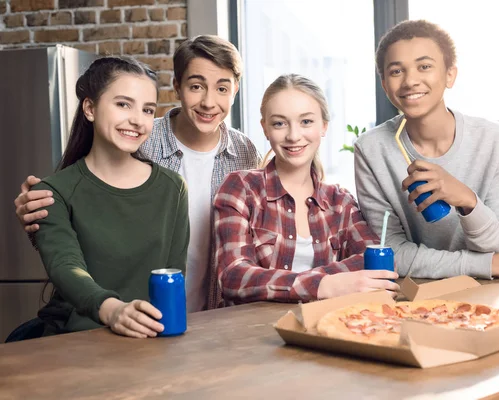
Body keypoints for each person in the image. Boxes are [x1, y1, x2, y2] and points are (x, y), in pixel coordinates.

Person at [13, 35, 261, 312]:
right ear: (177, 87)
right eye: (196, 86)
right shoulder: (138, 137)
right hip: (131, 313)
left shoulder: (245, 152)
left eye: (222, 89)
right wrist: (39, 217)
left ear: (236, 90)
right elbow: (85, 228)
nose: (208, 102)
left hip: (209, 313)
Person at [354, 19, 499, 280]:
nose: (411, 80)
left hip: (491, 293)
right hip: (415, 295)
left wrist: (467, 200)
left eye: (424, 66)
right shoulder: (371, 150)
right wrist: (489, 265)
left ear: (450, 74)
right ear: (384, 84)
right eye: (396, 71)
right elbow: (393, 255)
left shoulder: (495, 140)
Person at [31, 56, 189, 338]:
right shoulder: (52, 192)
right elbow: (66, 269)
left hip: (149, 341)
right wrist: (114, 310)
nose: (137, 120)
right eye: (123, 104)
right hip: (74, 342)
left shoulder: (172, 188)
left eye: (148, 110)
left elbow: (173, 278)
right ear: (90, 108)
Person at [213, 74, 399, 305]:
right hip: (252, 333)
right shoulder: (240, 189)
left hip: (325, 329)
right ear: (265, 128)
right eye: (279, 123)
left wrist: (312, 284)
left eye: (306, 122)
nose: (293, 136)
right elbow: (234, 276)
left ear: (324, 126)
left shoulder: (340, 202)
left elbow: (376, 260)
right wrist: (325, 285)